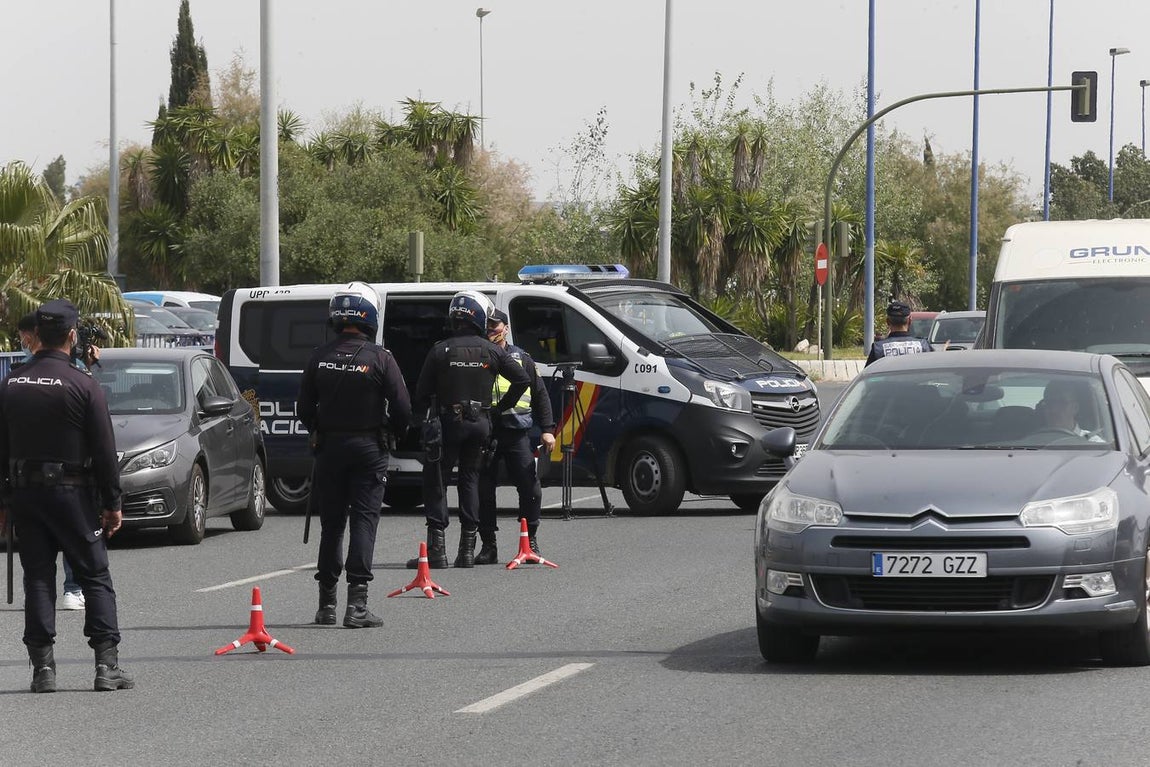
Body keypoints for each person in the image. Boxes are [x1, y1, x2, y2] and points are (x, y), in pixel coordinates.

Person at [0, 299, 131, 693]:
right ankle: (106, 666)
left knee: (38, 578)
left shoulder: (11, 383)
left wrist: (3, 503)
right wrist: (113, 504)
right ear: (72, 336)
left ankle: (43, 671)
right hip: (72, 495)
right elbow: (105, 451)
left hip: (26, 494)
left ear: (36, 336)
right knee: (93, 574)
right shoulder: (83, 384)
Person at [297, 283, 411, 629]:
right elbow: (404, 408)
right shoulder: (380, 358)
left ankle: (326, 606)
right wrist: (393, 430)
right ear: (370, 317)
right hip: (368, 448)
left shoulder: (319, 356)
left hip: (329, 449)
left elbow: (303, 409)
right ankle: (356, 606)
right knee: (364, 521)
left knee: (331, 526)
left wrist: (320, 426)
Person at [409, 291, 530, 569]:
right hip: (480, 425)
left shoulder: (440, 349)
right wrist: (498, 408)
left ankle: (437, 552)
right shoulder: (492, 350)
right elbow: (522, 379)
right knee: (470, 480)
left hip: (448, 425)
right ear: (478, 317)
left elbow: (421, 392)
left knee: (437, 481)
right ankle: (466, 552)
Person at [15, 312, 85, 611]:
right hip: (66, 474)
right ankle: (70, 589)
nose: (24, 343)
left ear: (37, 336)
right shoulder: (76, 372)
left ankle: (55, 592)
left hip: (32, 475)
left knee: (44, 540)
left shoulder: (19, 375)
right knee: (70, 533)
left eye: (26, 338)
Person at [476, 309, 557, 564]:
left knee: (530, 487)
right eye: (487, 326)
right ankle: (488, 546)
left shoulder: (522, 357)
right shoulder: (478, 355)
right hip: (487, 430)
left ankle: (529, 540)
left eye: (495, 326)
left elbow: (540, 393)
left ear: (506, 328)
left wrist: (547, 429)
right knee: (483, 490)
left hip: (516, 430)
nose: (491, 331)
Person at [865, 300, 933, 366]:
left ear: (888, 322)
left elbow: (868, 374)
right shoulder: (924, 346)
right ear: (910, 321)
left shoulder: (878, 349)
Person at [1035, 380, 1105, 442]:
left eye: (1061, 402)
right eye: (1049, 402)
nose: (1054, 409)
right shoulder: (1032, 443)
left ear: (1075, 408)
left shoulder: (1093, 444)